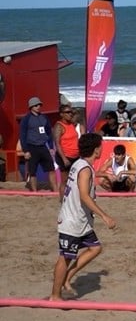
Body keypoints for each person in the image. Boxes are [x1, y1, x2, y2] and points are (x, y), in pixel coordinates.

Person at [50, 133, 117, 301]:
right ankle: (55, 295)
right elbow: (84, 195)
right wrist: (104, 216)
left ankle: (68, 277)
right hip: (72, 221)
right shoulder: (85, 168)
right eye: (101, 146)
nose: (102, 148)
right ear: (96, 149)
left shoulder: (80, 164)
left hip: (81, 221)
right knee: (65, 258)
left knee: (95, 248)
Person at [19, 96, 58, 193]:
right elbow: (22, 135)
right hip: (32, 147)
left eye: (39, 104)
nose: (38, 106)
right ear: (31, 107)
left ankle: (55, 189)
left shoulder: (44, 117)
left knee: (51, 168)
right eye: (36, 105)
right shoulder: (26, 119)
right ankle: (35, 191)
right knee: (33, 171)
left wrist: (51, 147)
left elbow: (49, 133)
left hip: (43, 146)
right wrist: (25, 150)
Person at [52, 104, 82, 197]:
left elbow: (79, 117)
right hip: (65, 156)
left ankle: (72, 199)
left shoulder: (71, 124)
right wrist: (64, 159)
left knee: (75, 179)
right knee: (65, 180)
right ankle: (63, 201)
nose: (70, 114)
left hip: (75, 156)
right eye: (68, 112)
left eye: (71, 112)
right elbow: (57, 144)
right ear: (61, 114)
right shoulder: (59, 126)